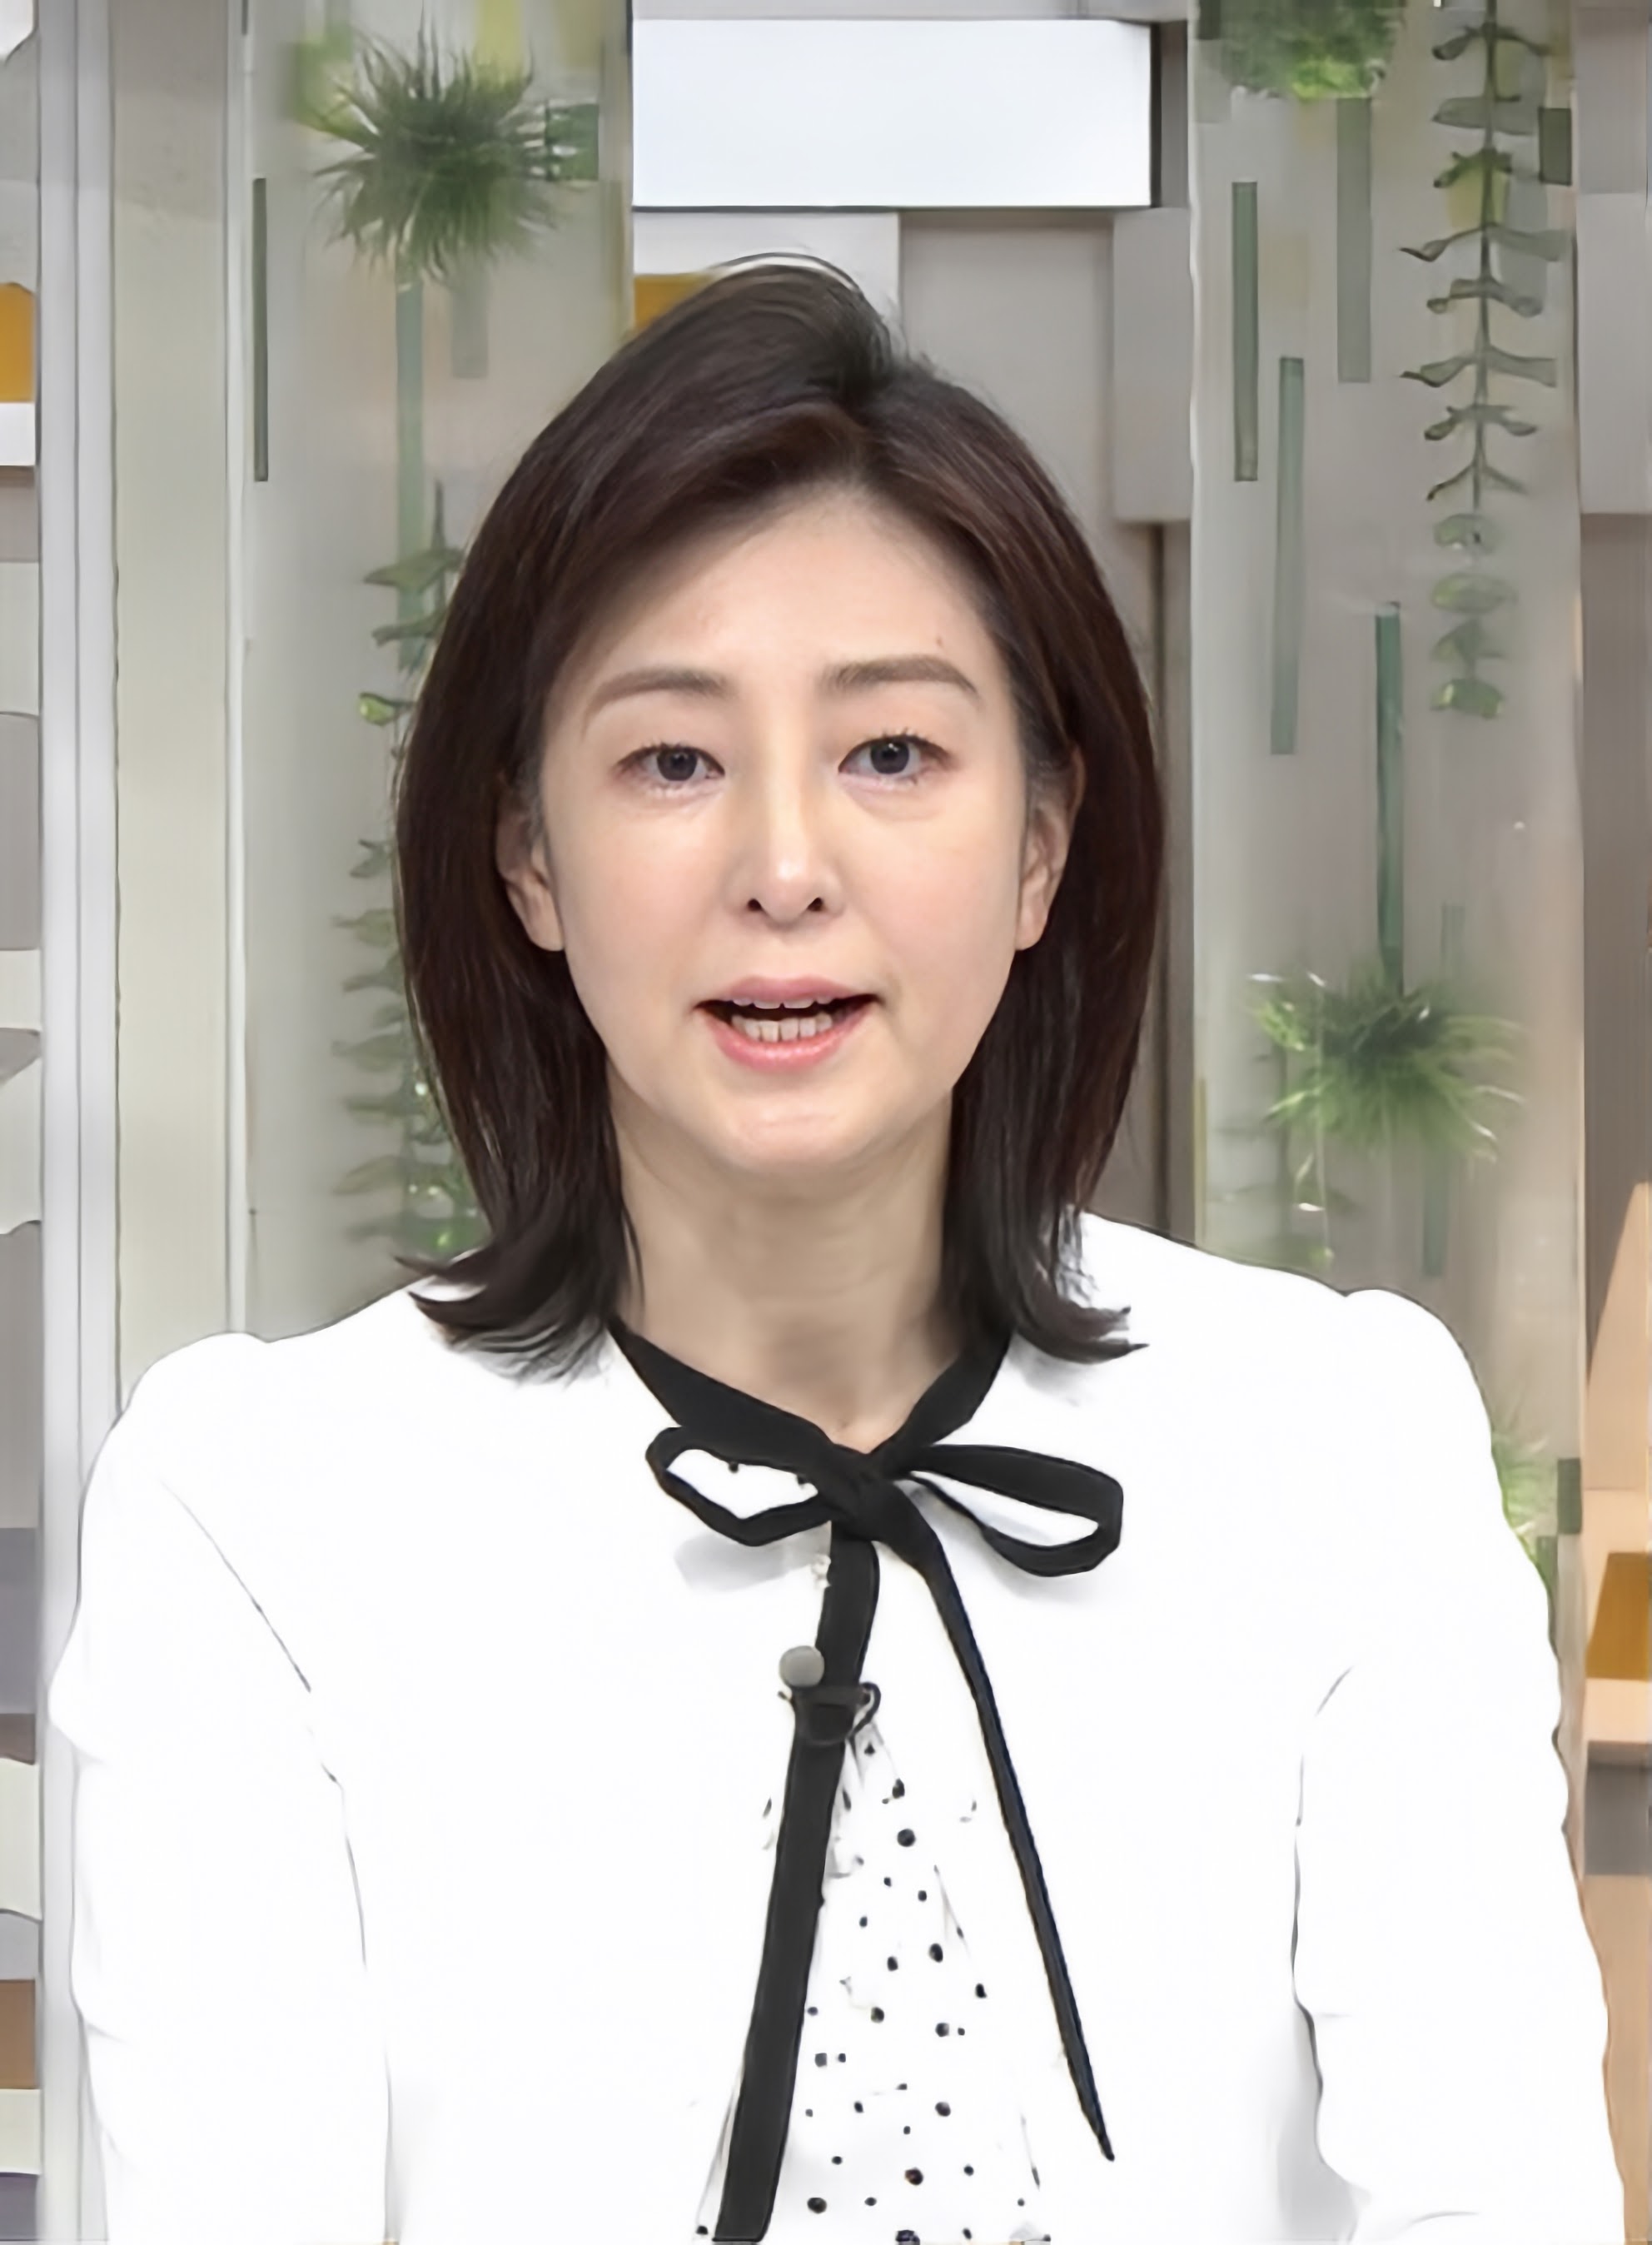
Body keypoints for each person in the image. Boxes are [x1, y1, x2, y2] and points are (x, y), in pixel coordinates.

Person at [47, 260, 1621, 2245]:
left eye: (889, 754)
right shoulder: (257, 1515)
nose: (782, 866)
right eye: (670, 762)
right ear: (526, 857)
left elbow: (1487, 2199)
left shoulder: (1338, 1447)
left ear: (1040, 841)